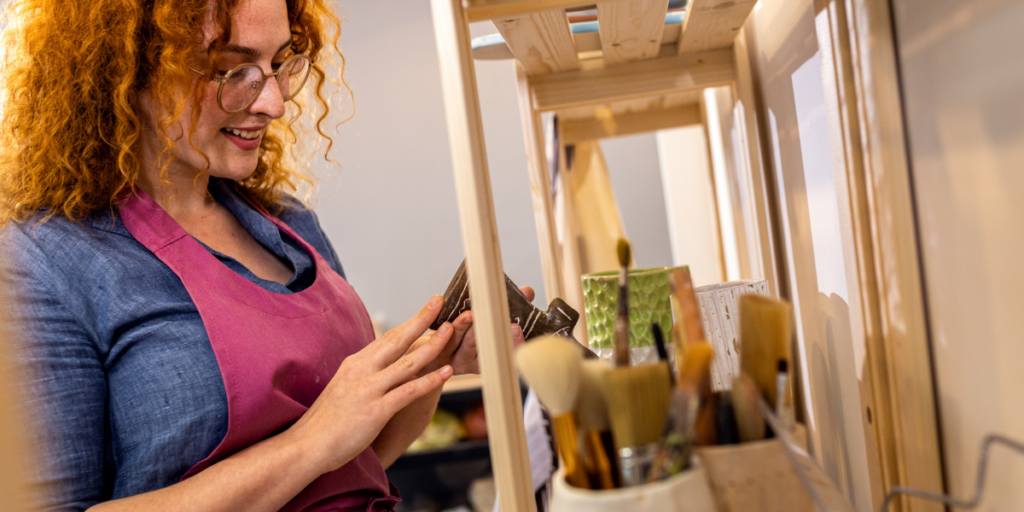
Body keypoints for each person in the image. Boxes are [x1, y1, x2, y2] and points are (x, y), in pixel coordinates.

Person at [0, 0, 530, 510]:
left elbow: (354, 464)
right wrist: (308, 443)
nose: (272, 102)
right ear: (128, 66)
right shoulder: (44, 262)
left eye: (278, 64)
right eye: (232, 71)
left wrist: (428, 369)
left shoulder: (290, 224)